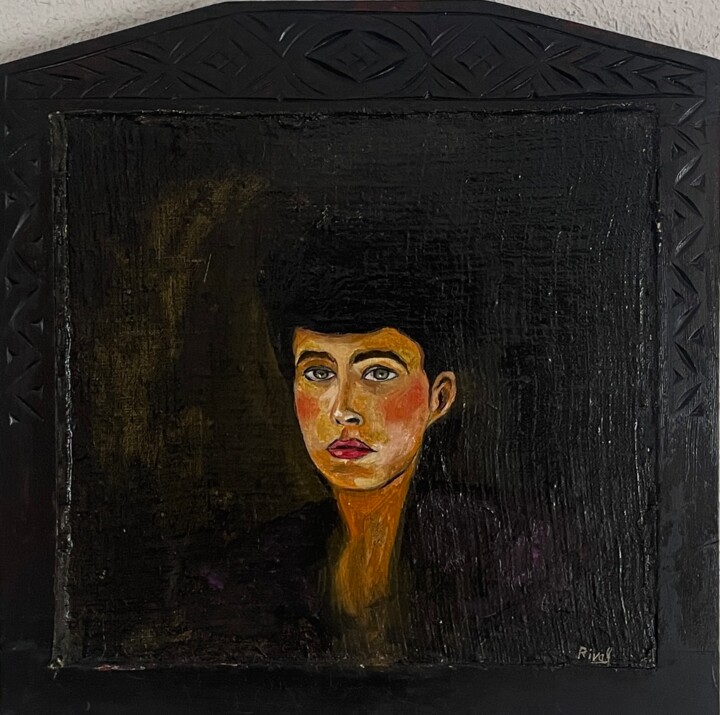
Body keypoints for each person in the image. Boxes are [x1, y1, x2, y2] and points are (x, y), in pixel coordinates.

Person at [184, 212, 557, 665]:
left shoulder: (516, 560)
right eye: (318, 373)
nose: (343, 409)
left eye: (378, 373)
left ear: (439, 398)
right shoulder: (248, 576)